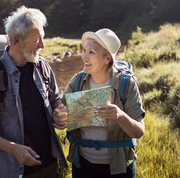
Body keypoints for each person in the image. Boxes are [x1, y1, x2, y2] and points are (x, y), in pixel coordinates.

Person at [0, 6, 67, 178]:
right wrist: (13, 148)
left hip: (49, 165)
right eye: (37, 39)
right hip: (12, 172)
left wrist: (59, 112)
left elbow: (55, 98)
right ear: (16, 41)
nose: (43, 45)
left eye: (43, 38)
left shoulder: (42, 66)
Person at [53, 28, 145, 178]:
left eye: (91, 53)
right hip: (83, 166)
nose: (84, 57)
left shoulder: (127, 84)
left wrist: (120, 116)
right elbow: (59, 116)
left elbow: (139, 131)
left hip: (119, 169)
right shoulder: (77, 82)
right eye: (84, 51)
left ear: (107, 58)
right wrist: (59, 118)